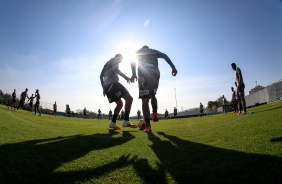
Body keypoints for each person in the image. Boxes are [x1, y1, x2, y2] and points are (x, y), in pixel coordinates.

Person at [131, 45, 177, 133]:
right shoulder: (153, 51)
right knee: (152, 94)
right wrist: (173, 67)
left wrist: (133, 73)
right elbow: (165, 56)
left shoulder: (139, 51)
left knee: (145, 99)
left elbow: (132, 59)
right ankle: (155, 113)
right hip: (155, 74)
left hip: (143, 75)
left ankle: (148, 127)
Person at [100, 54, 137, 129]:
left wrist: (103, 87)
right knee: (129, 99)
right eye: (121, 60)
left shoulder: (106, 64)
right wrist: (126, 77)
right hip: (113, 84)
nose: (120, 62)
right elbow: (115, 70)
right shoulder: (115, 59)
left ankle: (113, 123)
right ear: (120, 58)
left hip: (107, 87)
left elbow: (101, 76)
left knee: (120, 104)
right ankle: (126, 120)